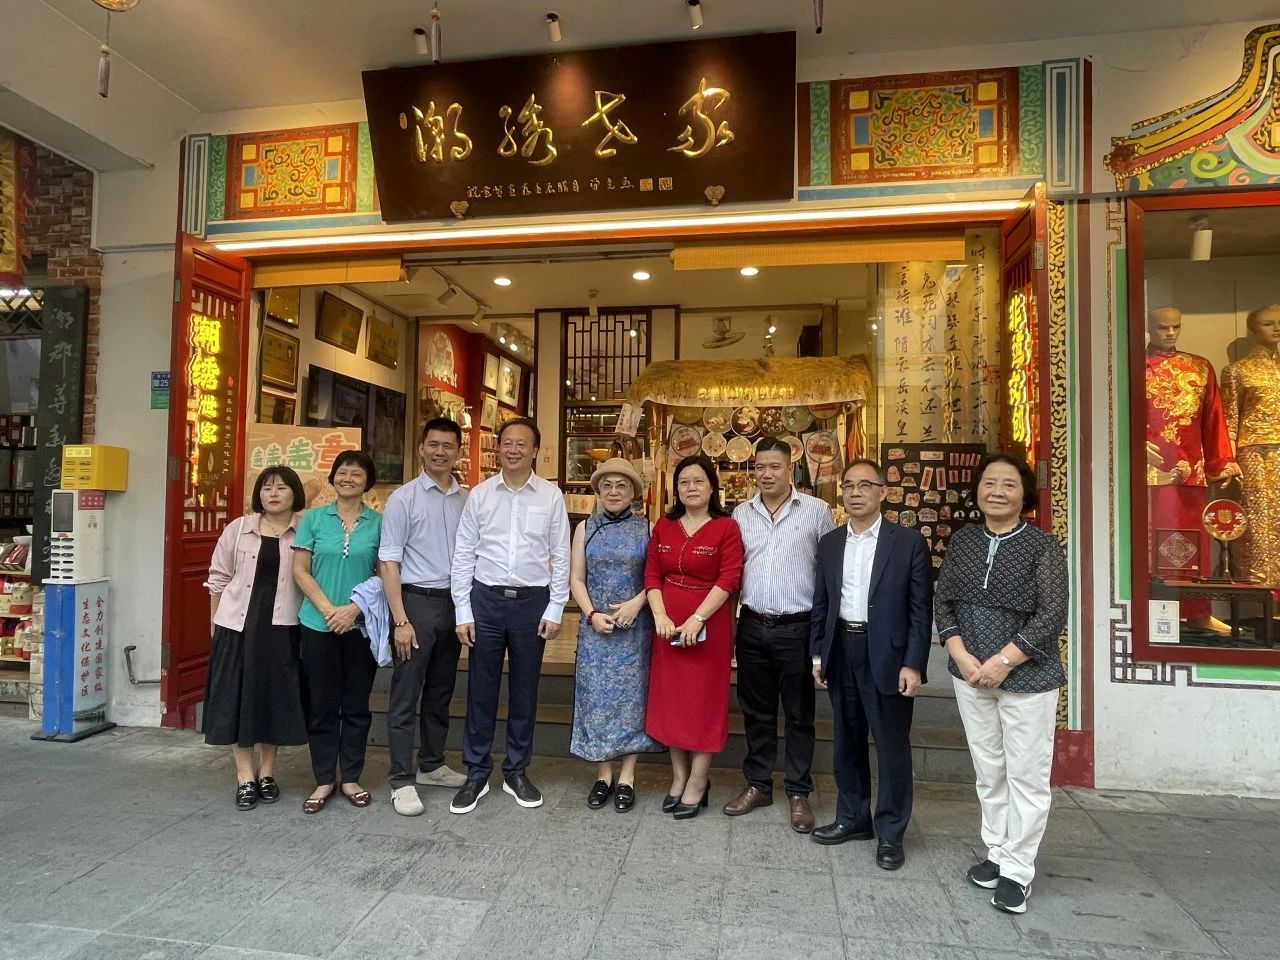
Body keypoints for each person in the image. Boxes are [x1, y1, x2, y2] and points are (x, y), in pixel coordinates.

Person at [935, 452, 1069, 915]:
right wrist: (961, 655)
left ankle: (1018, 869)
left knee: (1026, 775)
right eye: (989, 482)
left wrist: (1004, 661)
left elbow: (1052, 613)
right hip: (970, 674)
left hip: (1027, 676)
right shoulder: (963, 541)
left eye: (1008, 484)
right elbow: (943, 603)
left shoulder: (1042, 546)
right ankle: (996, 850)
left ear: (1024, 494)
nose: (996, 491)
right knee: (989, 769)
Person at [809, 459, 931, 869]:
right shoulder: (830, 543)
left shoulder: (907, 543)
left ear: (883, 492)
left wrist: (913, 663)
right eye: (848, 485)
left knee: (891, 745)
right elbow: (821, 603)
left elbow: (920, 611)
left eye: (865, 485)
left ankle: (891, 832)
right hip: (842, 648)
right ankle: (853, 818)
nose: (855, 493)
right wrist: (818, 654)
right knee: (847, 740)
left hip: (889, 655)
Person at [450, 417, 570, 814]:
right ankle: (477, 771)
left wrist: (556, 606)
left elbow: (561, 554)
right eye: (508, 442)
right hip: (485, 600)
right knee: (480, 688)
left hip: (532, 603)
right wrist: (463, 609)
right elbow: (464, 553)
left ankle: (516, 770)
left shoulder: (550, 496)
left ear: (535, 450)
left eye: (522, 443)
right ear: (498, 447)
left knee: (525, 689)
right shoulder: (480, 495)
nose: (514, 449)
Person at [727, 436, 834, 833]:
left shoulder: (817, 511)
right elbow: (734, 573)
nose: (767, 474)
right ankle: (758, 784)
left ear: (791, 468)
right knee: (755, 711)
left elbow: (829, 573)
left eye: (775, 466)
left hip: (798, 627)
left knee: (799, 713)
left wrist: (823, 639)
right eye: (760, 467)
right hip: (753, 624)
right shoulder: (741, 513)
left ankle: (798, 791)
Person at [203, 466, 309, 810]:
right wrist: (215, 624)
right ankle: (244, 776)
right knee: (238, 697)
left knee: (272, 698)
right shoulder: (238, 528)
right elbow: (218, 577)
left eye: (281, 488)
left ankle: (267, 773)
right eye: (266, 488)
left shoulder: (305, 530)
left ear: (295, 493)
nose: (273, 494)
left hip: (282, 625)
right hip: (237, 626)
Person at [644, 454, 743, 819]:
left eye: (699, 481)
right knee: (672, 702)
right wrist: (660, 615)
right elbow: (652, 575)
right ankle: (679, 777)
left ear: (712, 486)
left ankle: (699, 781)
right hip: (667, 628)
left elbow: (729, 578)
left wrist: (698, 619)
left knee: (703, 704)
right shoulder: (664, 526)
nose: (691, 488)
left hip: (708, 629)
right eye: (684, 482)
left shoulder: (726, 527)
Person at [379, 418, 469, 817]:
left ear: (458, 451)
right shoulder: (404, 499)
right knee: (406, 693)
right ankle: (401, 779)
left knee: (440, 690)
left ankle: (432, 764)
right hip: (416, 603)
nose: (440, 452)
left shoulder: (466, 498)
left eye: (448, 446)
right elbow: (388, 562)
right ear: (421, 448)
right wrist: (400, 620)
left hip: (454, 604)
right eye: (433, 444)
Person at [292, 449, 383, 814]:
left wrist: (354, 609)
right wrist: (330, 610)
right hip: (317, 624)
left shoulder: (379, 523)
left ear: (367, 482)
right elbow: (300, 570)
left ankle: (351, 778)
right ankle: (324, 778)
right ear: (333, 478)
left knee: (357, 705)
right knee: (322, 705)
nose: (348, 478)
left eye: (356, 473)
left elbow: (385, 574)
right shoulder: (314, 518)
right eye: (342, 472)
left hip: (360, 627)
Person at [568, 457, 661, 812]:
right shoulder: (585, 528)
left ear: (633, 491)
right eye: (606, 485)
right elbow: (577, 578)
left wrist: (637, 603)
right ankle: (603, 774)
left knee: (632, 700)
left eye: (621, 485)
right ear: (598, 491)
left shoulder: (648, 528)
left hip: (636, 629)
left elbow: (658, 577)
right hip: (596, 629)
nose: (614, 491)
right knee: (596, 699)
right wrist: (591, 614)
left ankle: (628, 776)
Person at [1146, 306, 1239, 631]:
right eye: (1163, 327)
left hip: (1190, 469)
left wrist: (1220, 462)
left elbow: (1213, 417)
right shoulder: (1133, 368)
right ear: (1149, 327)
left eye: (1175, 327)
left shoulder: (1199, 367)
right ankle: (1151, 614)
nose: (1170, 333)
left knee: (1190, 544)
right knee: (1148, 543)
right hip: (1147, 472)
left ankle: (1197, 613)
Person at [1221, 304, 1280, 588]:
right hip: (1255, 451)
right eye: (1268, 323)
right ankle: (1261, 582)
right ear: (1254, 330)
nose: (1276, 328)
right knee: (1258, 517)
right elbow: (1230, 420)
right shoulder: (1238, 371)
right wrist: (1228, 459)